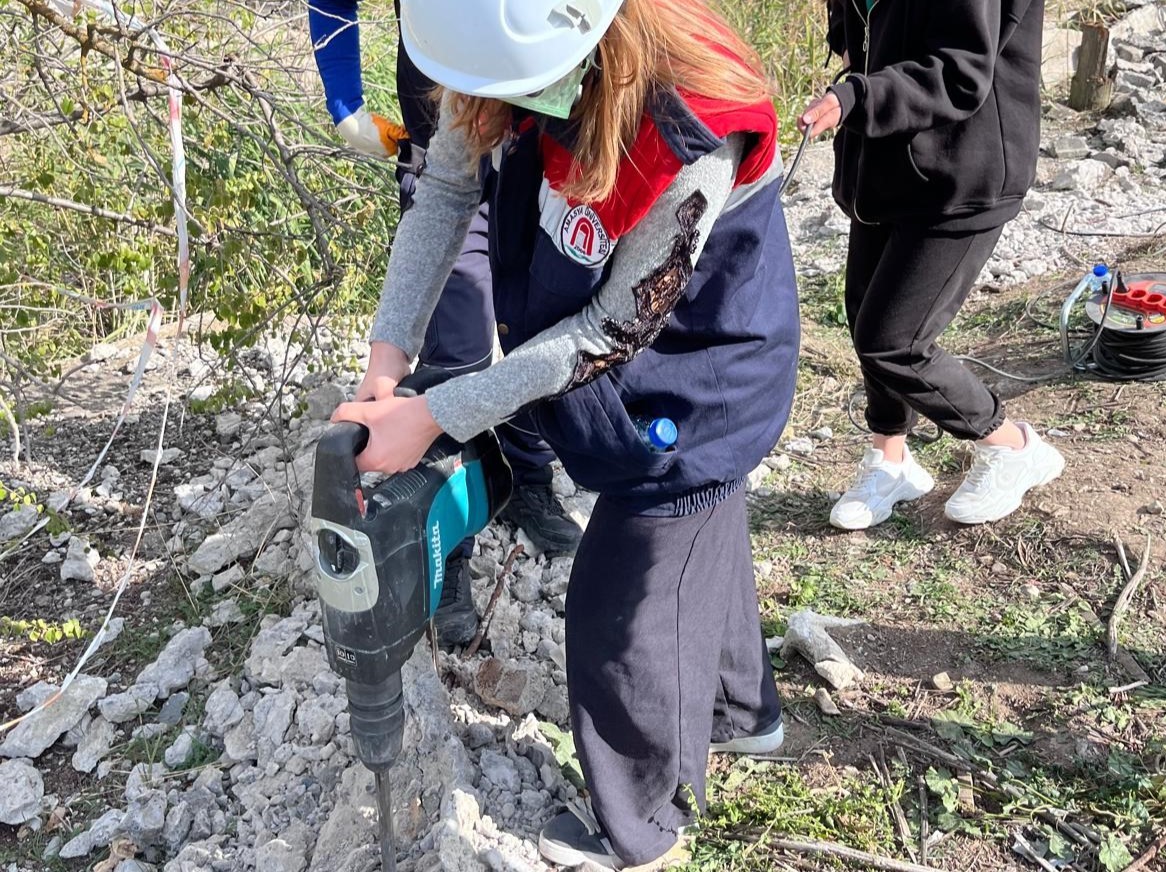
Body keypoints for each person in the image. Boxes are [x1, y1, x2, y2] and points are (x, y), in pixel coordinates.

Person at [330, 0, 801, 866]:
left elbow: (608, 332)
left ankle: (642, 830)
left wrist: (435, 415)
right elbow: (441, 193)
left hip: (701, 371)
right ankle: (744, 715)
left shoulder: (685, 123)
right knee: (701, 535)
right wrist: (383, 367)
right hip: (613, 361)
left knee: (625, 608)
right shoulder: (489, 44)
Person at [306, 0, 584, 646]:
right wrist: (343, 95)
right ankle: (445, 538)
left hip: (553, 88)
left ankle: (526, 475)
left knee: (541, 303)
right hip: (445, 98)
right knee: (453, 331)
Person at [803, 0, 1064, 529]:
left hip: (963, 168)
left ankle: (1012, 447)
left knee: (894, 340)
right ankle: (890, 459)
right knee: (864, 317)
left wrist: (858, 95)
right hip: (883, 162)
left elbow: (961, 71)